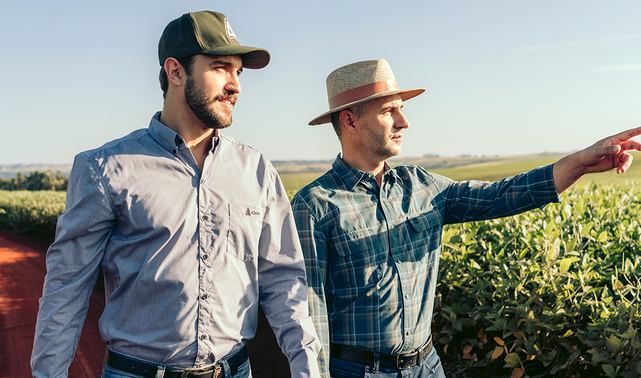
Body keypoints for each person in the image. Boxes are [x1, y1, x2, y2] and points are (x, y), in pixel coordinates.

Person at [290, 58, 641, 378]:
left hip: (426, 367)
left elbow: (500, 196)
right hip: (358, 372)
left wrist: (578, 164)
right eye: (389, 111)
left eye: (402, 109)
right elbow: (310, 312)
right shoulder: (315, 205)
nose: (404, 121)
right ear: (349, 120)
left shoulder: (422, 186)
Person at [31, 11, 320, 378]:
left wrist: (308, 369)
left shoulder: (257, 170)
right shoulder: (105, 169)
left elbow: (284, 281)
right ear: (176, 71)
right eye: (220, 68)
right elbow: (66, 290)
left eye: (238, 72)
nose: (236, 85)